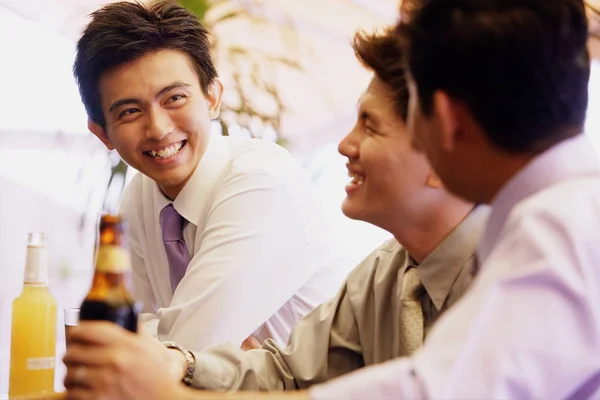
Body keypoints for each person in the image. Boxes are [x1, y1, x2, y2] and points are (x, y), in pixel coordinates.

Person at [63, 25, 490, 400]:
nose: (345, 144)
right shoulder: (383, 272)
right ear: (101, 132)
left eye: (369, 125)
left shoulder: (509, 270)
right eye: (131, 111)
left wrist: (171, 365)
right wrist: (186, 364)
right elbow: (285, 369)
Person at [72, 0, 346, 352]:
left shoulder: (260, 181)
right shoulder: (140, 196)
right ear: (102, 133)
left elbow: (185, 348)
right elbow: (128, 335)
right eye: (130, 111)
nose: (158, 128)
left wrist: (170, 337)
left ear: (212, 98)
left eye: (174, 98)